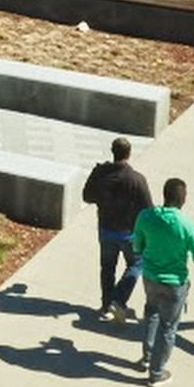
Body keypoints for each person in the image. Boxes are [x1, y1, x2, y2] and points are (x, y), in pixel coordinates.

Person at [132, 177, 194, 387]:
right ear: (184, 198)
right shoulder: (188, 226)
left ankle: (147, 357)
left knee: (151, 313)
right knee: (168, 327)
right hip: (175, 284)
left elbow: (137, 246)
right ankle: (156, 372)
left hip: (150, 277)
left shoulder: (145, 216)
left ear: (164, 194)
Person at [82, 136, 154, 323]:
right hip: (129, 233)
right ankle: (119, 299)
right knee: (137, 263)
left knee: (107, 268)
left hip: (105, 229)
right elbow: (148, 209)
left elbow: (87, 196)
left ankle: (106, 305)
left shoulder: (100, 173)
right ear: (129, 154)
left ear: (113, 152)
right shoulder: (137, 179)